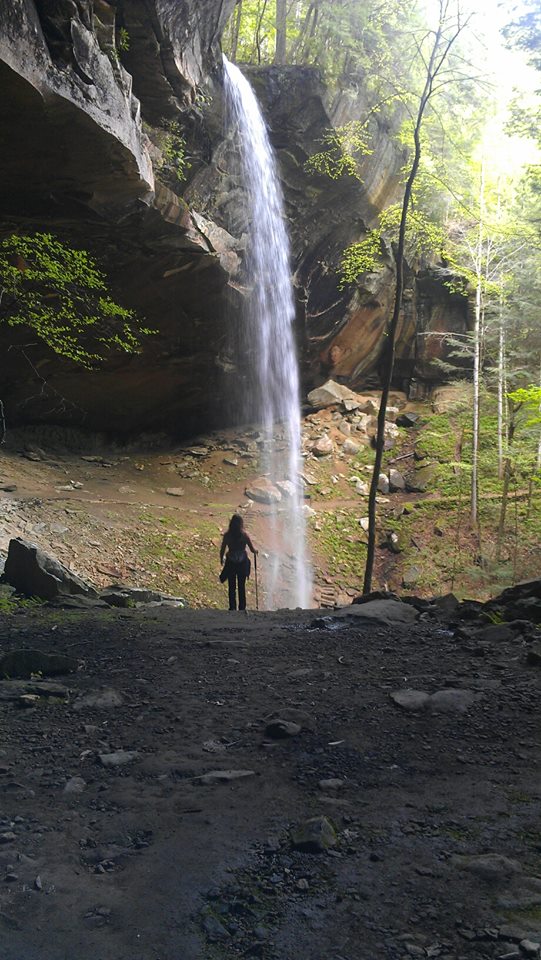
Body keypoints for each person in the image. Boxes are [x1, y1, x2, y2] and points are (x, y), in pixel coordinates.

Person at [219, 514, 257, 611]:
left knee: (232, 587)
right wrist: (255, 551)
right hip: (242, 563)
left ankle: (232, 607)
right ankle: (242, 608)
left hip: (231, 562)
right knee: (241, 586)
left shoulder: (227, 535)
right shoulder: (244, 535)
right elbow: (252, 549)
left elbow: (223, 549)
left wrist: (221, 559)